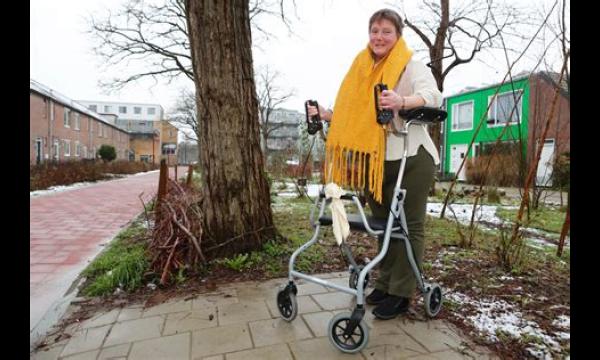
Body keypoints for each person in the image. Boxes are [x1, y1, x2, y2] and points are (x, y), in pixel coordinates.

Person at [307, 8, 442, 320]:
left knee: (409, 227)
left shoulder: (411, 66)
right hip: (376, 161)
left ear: (398, 36)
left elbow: (434, 97)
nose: (379, 37)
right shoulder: (362, 68)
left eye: (387, 32)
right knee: (383, 226)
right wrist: (327, 114)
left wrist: (402, 102)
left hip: (411, 158)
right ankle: (385, 283)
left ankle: (402, 292)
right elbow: (353, 114)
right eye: (375, 31)